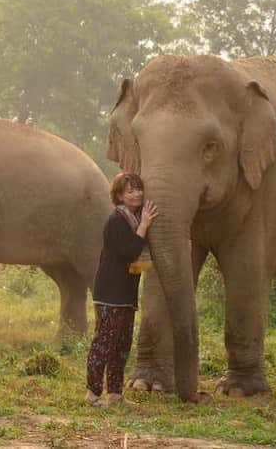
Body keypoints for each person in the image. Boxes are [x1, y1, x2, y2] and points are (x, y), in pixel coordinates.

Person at [85, 172, 158, 406]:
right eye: (130, 191)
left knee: (122, 345)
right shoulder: (117, 220)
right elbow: (129, 252)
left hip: (126, 294)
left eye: (138, 189)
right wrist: (145, 226)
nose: (136, 194)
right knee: (103, 343)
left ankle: (115, 394)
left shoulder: (133, 220)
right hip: (109, 293)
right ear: (119, 196)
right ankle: (92, 394)